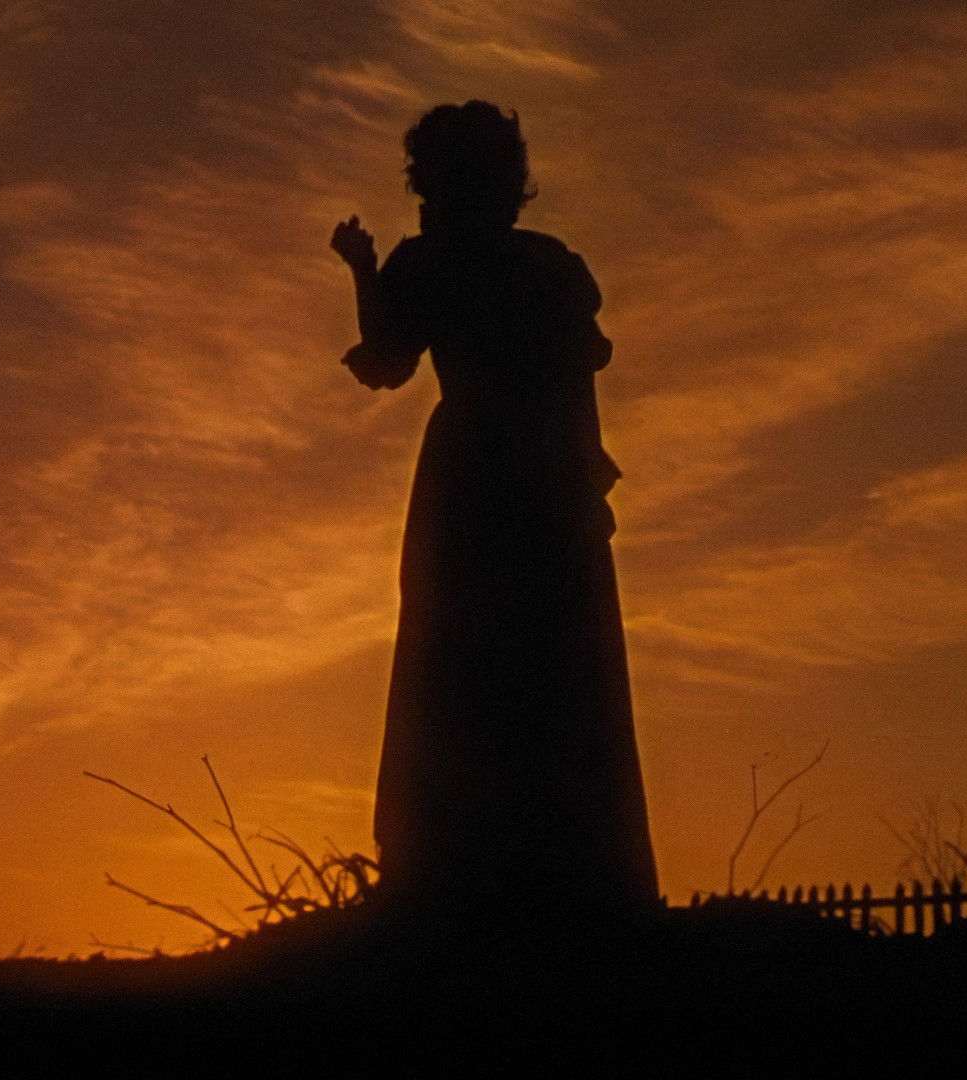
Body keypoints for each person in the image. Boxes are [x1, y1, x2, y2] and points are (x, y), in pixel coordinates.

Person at [331, 101, 659, 917]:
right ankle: (560, 863)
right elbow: (569, 380)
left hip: (482, 477)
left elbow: (388, 359)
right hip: (541, 477)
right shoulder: (546, 267)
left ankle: (456, 862)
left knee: (466, 652)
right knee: (538, 658)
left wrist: (364, 272)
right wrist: (582, 480)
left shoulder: (444, 264)